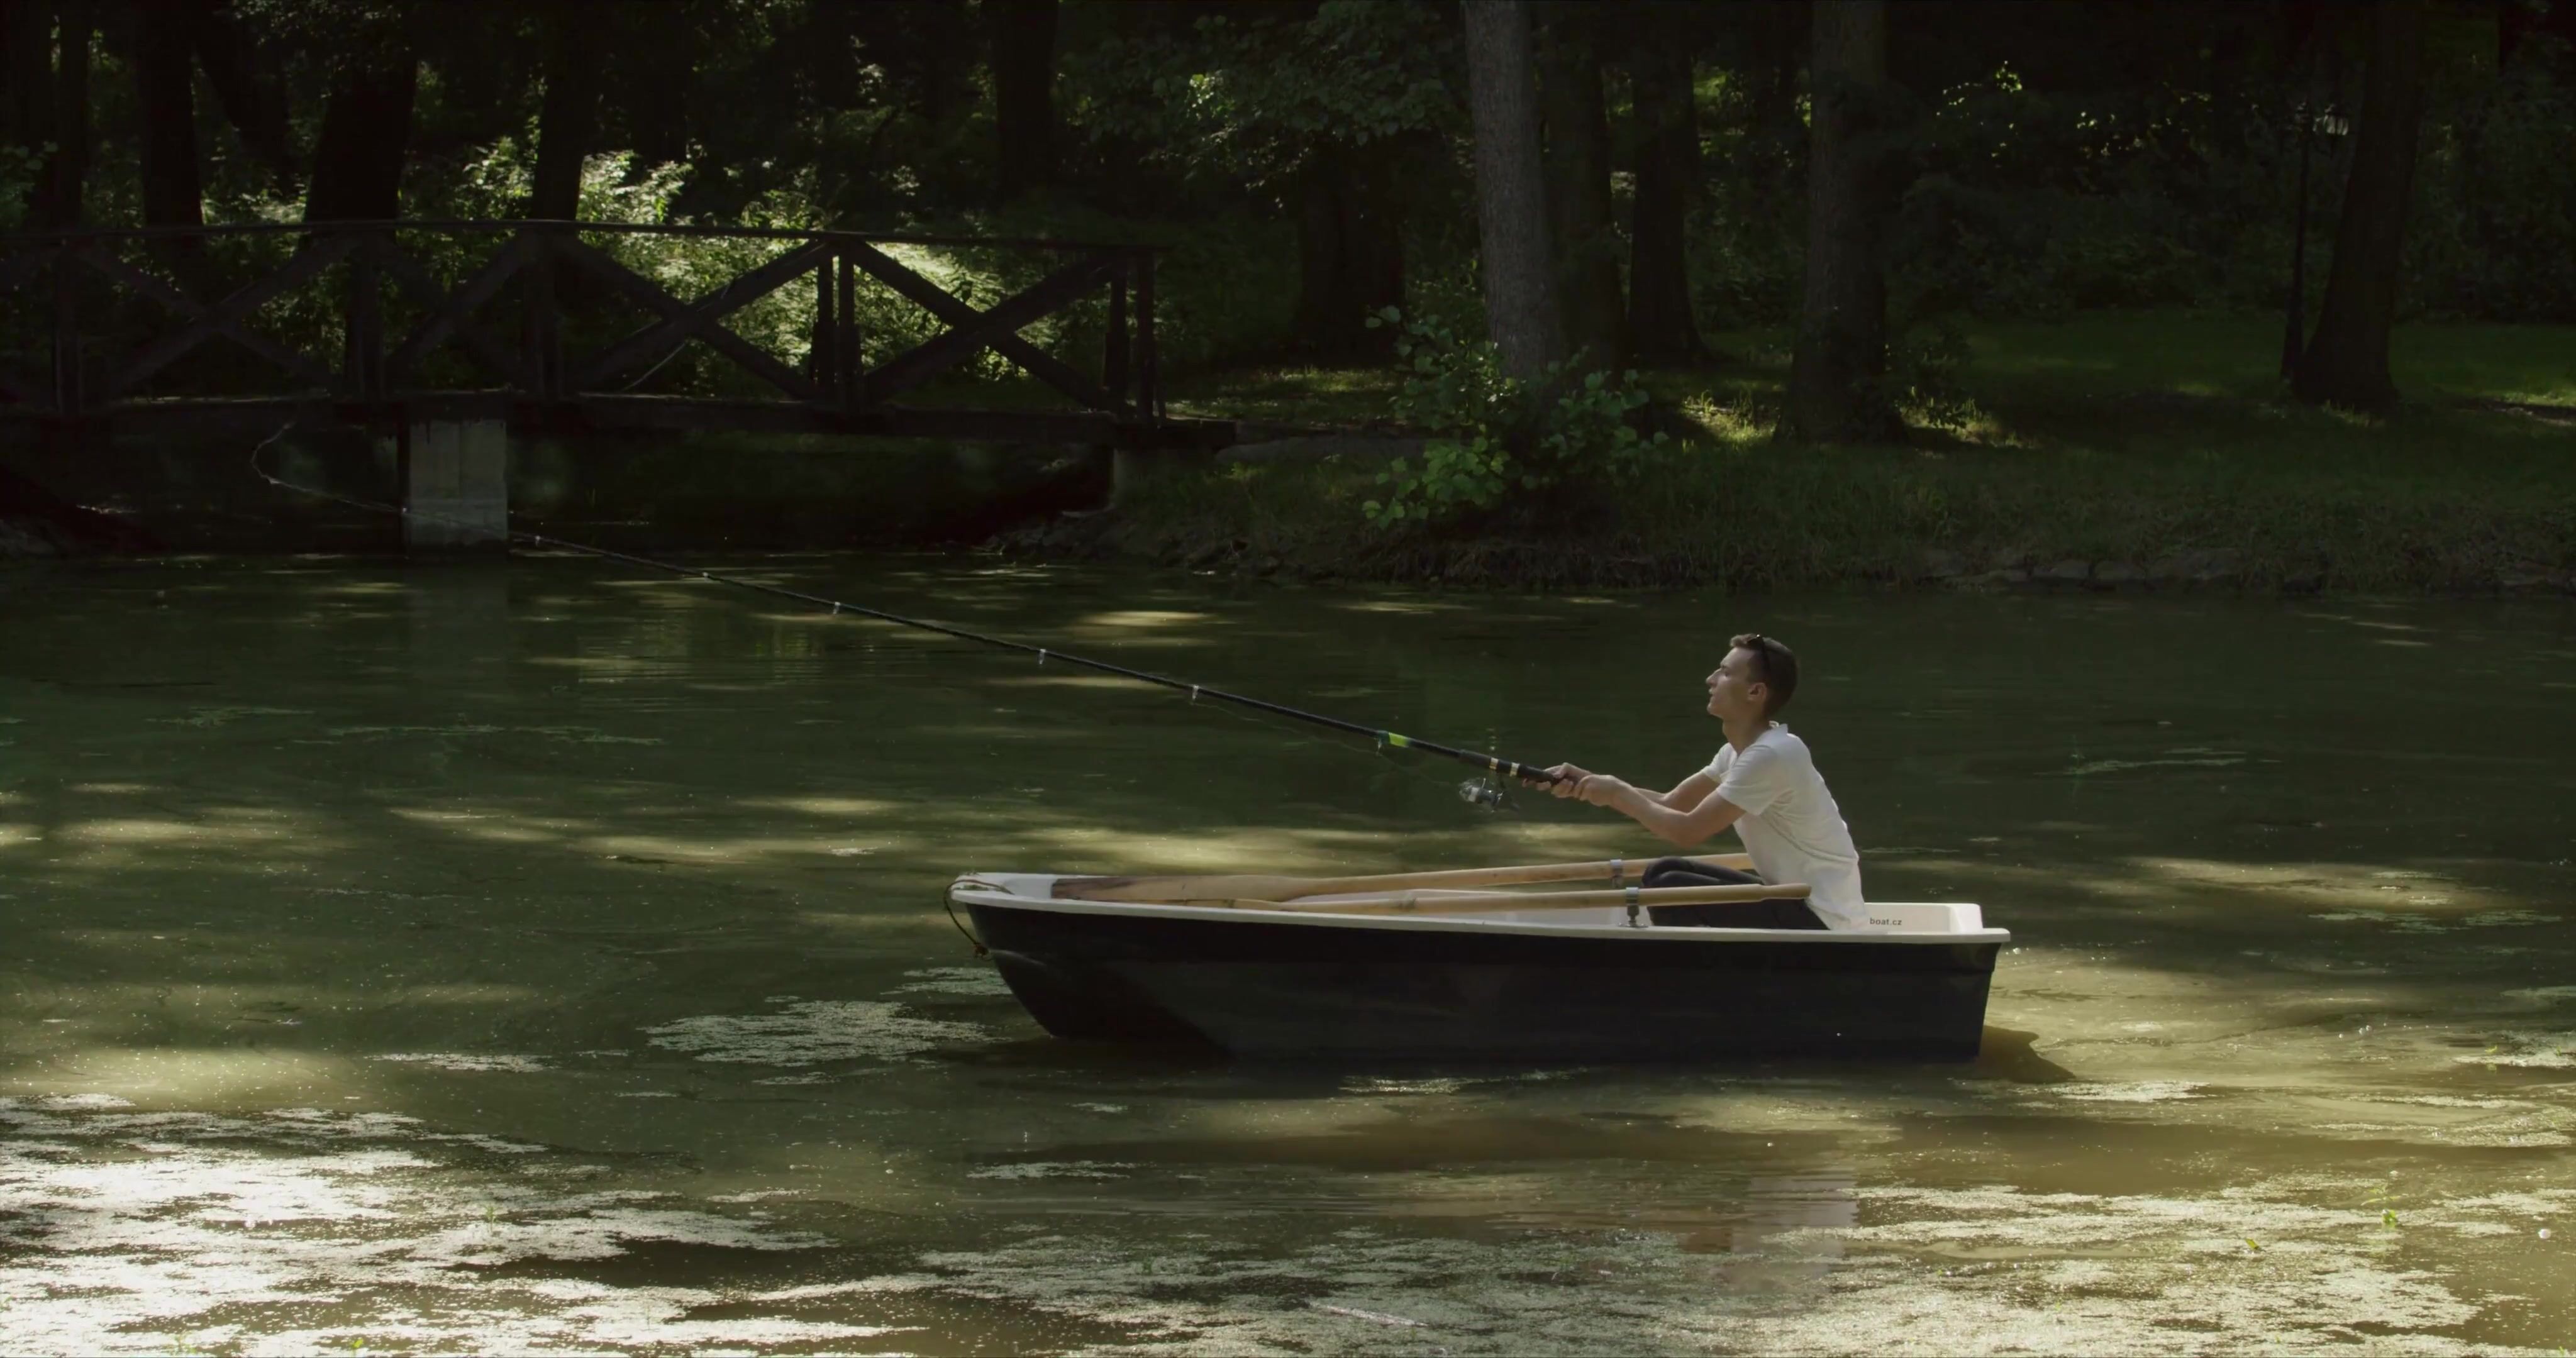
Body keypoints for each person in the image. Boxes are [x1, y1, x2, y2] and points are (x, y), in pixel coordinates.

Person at [1538, 632, 1864, 929]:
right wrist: (1590, 782)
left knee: (1669, 887)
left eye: (1725, 673)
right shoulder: (1738, 752)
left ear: (1755, 692)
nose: (1711, 680)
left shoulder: (1772, 754)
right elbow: (1673, 803)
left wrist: (1615, 793)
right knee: (1663, 872)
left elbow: (1687, 831)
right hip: (1793, 901)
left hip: (1821, 917)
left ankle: (1689, 970)